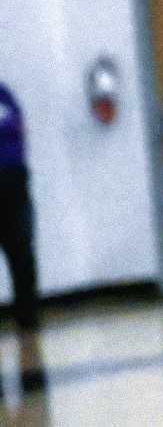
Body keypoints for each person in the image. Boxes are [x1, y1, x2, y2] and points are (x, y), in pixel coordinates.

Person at [0, 82, 44, 394]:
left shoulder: (5, 95)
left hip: (14, 187)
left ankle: (28, 324)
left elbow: (20, 131)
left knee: (22, 257)